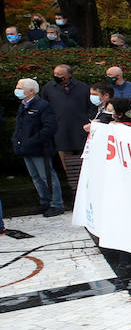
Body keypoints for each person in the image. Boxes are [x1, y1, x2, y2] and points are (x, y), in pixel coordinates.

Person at [12, 79, 63, 217]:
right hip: (26, 148)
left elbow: (50, 127)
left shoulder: (42, 106)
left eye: (20, 88)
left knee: (47, 176)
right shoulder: (23, 105)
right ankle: (45, 201)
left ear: (31, 91)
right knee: (35, 176)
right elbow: (20, 127)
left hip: (40, 148)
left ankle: (56, 204)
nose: (17, 90)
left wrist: (32, 141)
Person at [41, 64, 91, 191]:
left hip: (81, 130)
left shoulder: (83, 87)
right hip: (60, 130)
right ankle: (73, 187)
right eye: (55, 74)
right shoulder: (48, 88)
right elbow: (44, 107)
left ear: (69, 75)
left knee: (83, 159)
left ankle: (86, 185)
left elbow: (91, 106)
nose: (56, 76)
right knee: (66, 160)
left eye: (60, 74)